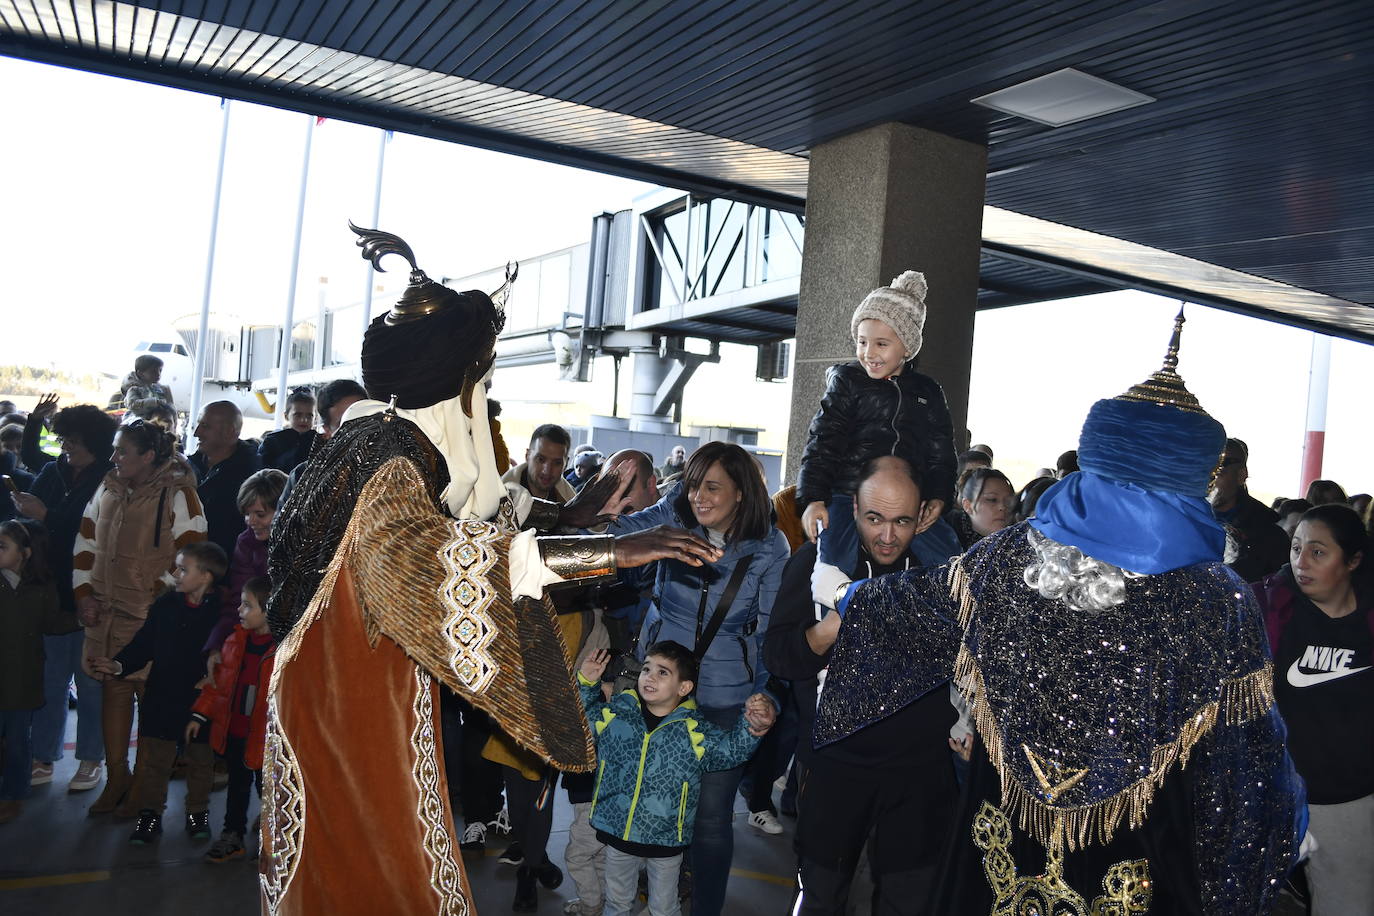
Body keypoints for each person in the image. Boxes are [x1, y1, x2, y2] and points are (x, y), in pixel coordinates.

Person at [259, 226, 721, 916]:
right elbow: (444, 564)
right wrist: (614, 550)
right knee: (374, 872)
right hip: (346, 704)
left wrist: (574, 515)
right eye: (483, 379)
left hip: (331, 688)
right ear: (458, 388)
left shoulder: (370, 437)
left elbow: (469, 522)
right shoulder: (390, 463)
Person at [809, 312, 1306, 914]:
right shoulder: (1215, 601)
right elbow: (1246, 780)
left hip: (997, 845)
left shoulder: (1008, 558)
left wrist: (842, 594)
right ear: (1194, 480)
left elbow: (909, 607)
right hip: (1143, 856)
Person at [764, 456, 956, 915]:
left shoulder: (944, 573)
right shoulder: (816, 562)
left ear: (926, 514)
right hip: (835, 770)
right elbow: (778, 656)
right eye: (874, 518)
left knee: (907, 902)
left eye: (901, 521)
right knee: (820, 899)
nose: (887, 536)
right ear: (852, 508)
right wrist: (828, 629)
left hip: (921, 775)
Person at [606, 440, 788, 916]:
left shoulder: (770, 546)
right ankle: (652, 900)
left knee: (710, 819)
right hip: (659, 691)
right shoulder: (673, 514)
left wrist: (767, 693)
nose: (698, 497)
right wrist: (601, 513)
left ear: (741, 494)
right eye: (691, 485)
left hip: (726, 700)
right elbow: (615, 536)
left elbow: (771, 632)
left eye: (712, 487)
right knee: (647, 807)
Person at [577, 641, 772, 916]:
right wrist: (587, 683)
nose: (649, 677)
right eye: (646, 669)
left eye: (662, 672)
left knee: (664, 908)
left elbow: (730, 753)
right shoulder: (618, 712)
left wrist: (752, 727)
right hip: (618, 830)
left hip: (666, 839)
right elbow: (584, 727)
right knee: (617, 903)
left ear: (684, 688)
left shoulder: (693, 730)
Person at [74, 418, 207, 816]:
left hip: (153, 618)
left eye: (122, 451)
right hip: (106, 613)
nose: (114, 458)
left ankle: (145, 790)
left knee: (152, 703)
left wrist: (157, 592)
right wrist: (84, 594)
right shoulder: (107, 487)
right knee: (111, 691)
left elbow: (194, 551)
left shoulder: (180, 494)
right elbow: (85, 541)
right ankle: (118, 778)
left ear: (148, 456)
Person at [1255, 504, 1374, 914]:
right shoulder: (1266, 607)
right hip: (1268, 793)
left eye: (1318, 552)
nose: (1301, 562)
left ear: (1354, 560)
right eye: (1296, 548)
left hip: (1348, 799)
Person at [796, 270, 956, 572]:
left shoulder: (928, 392)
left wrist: (938, 496)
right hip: (849, 491)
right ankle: (829, 602)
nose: (869, 353)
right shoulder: (847, 382)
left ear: (907, 347)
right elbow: (823, 441)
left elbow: (941, 453)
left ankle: (958, 604)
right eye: (862, 342)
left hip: (908, 499)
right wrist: (814, 498)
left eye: (881, 344)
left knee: (947, 557)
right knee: (834, 556)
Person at [87, 540, 226, 844]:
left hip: (198, 702)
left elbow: (228, 655)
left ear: (205, 576)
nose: (175, 573)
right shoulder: (165, 606)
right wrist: (118, 664)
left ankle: (197, 814)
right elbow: (144, 643)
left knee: (201, 761)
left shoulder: (221, 613)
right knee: (154, 762)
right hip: (161, 696)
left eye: (183, 568)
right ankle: (150, 816)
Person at [15, 398, 117, 793]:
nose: (66, 447)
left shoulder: (110, 480)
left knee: (90, 682)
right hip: (48, 593)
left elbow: (100, 533)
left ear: (94, 442)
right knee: (50, 680)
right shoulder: (52, 472)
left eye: (73, 441)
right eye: (63, 440)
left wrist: (46, 517)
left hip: (92, 591)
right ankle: (44, 755)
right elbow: (31, 523)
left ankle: (91, 759)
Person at [189, 574, 276, 864]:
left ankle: (273, 840)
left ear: (269, 610)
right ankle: (232, 834)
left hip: (267, 741)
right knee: (236, 789)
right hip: (237, 733)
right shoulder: (234, 642)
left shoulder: (283, 651)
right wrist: (200, 715)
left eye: (247, 605)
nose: (240, 611)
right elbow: (217, 685)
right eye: (240, 604)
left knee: (270, 791)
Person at [0, 520, 65, 824]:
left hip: (22, 681)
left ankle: (14, 794)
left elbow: (52, 624)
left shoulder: (41, 588)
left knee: (16, 741)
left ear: (24, 553)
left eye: (3, 547)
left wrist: (83, 620)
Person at [206, 468, 287, 653]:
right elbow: (238, 600)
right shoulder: (246, 542)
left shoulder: (304, 544)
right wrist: (217, 644)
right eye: (246, 514)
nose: (250, 521)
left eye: (260, 514)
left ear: (284, 509)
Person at [188, 400, 262, 562]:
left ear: (230, 432)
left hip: (226, 572)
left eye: (205, 426)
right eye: (198, 425)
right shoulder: (188, 468)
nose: (196, 433)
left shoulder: (252, 479)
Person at [1210, 438, 1289, 582]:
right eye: (1204, 470)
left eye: (1218, 471)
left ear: (1241, 476)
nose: (1209, 480)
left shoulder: (1269, 533)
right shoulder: (1188, 521)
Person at [504, 423, 575, 502]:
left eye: (557, 463)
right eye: (541, 459)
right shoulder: (498, 498)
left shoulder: (571, 500)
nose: (547, 470)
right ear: (527, 456)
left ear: (566, 465)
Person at [947, 467, 1015, 550]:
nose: (1002, 507)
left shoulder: (1020, 540)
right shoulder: (943, 539)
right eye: (992, 500)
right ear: (967, 505)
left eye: (1009, 502)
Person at [257, 388, 318, 473]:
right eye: (298, 415)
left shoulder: (320, 442)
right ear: (286, 416)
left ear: (315, 418)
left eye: (309, 416)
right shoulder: (272, 441)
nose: (304, 420)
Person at [120, 354, 175, 419]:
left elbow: (171, 408)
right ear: (140, 373)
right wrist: (154, 402)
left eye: (160, 370)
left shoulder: (162, 389)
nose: (158, 374)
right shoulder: (134, 389)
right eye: (153, 371)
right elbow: (132, 404)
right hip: (140, 423)